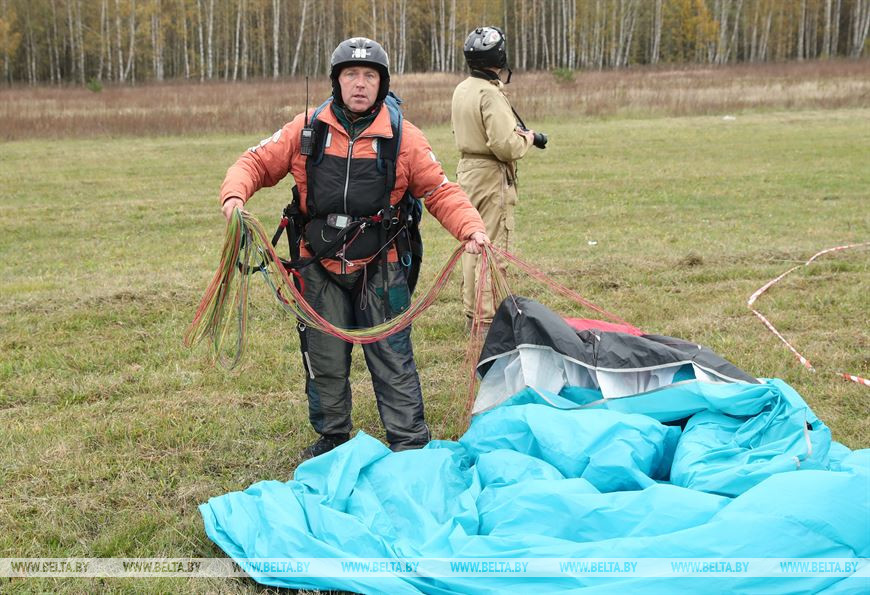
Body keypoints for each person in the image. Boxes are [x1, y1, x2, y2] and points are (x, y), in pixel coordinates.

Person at [218, 37, 490, 460]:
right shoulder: (306, 129)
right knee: (323, 358)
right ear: (336, 81)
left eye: (369, 76)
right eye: (351, 75)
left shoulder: (403, 137)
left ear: (381, 84)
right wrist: (235, 197)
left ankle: (409, 443)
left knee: (392, 357)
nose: (359, 84)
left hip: (381, 265)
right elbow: (253, 162)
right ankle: (333, 438)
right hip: (318, 264)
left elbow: (439, 190)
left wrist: (470, 229)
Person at [451, 26, 546, 329]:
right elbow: (506, 146)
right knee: (492, 250)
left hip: (468, 172)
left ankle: (471, 314)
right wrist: (528, 139)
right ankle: (488, 321)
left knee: (472, 245)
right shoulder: (490, 94)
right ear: (500, 55)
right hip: (491, 177)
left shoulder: (463, 88)